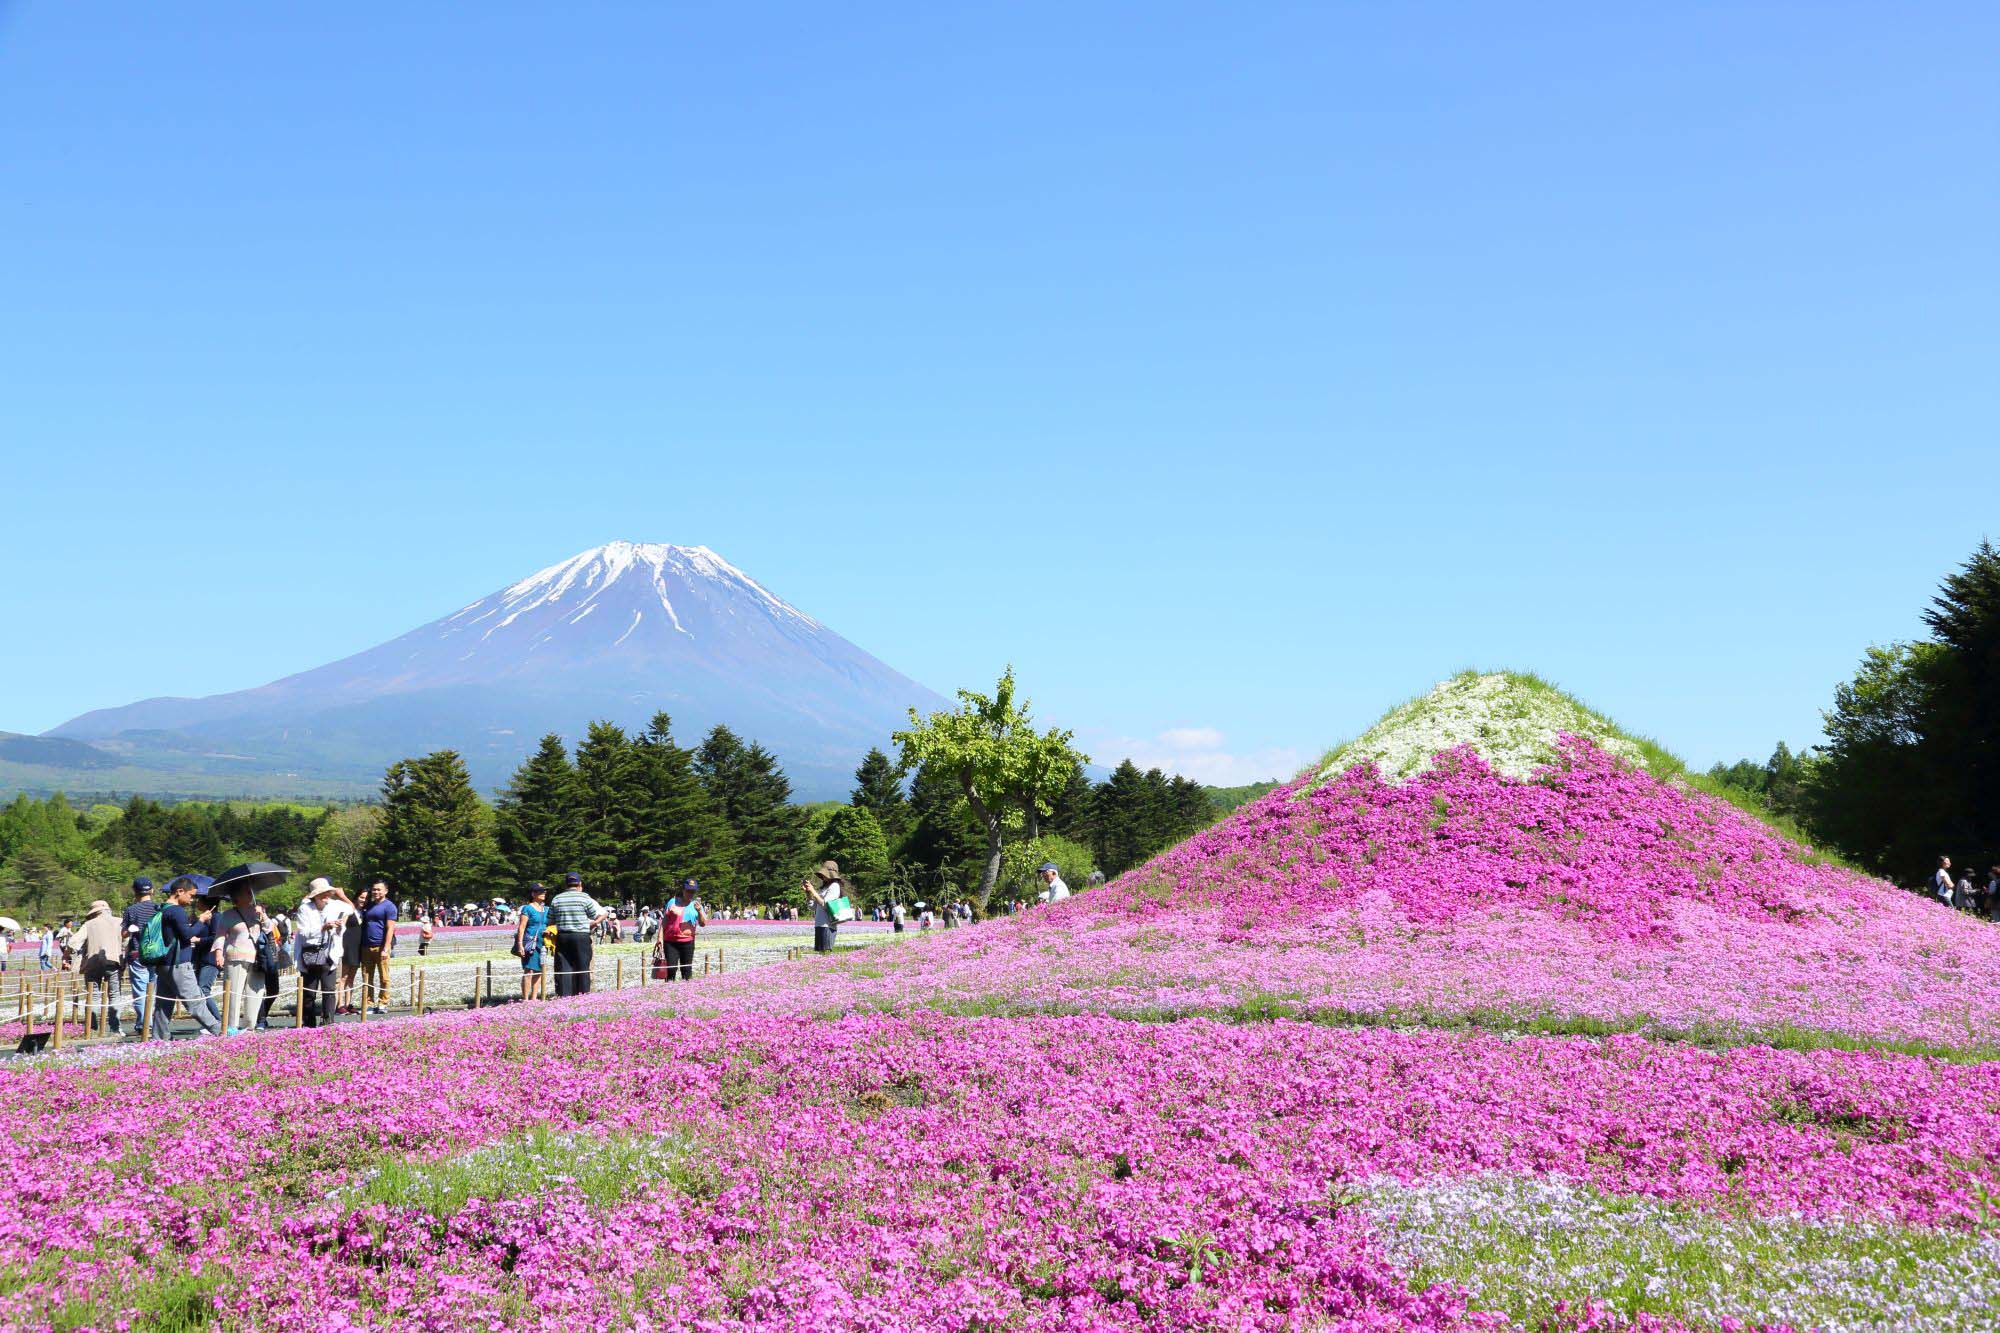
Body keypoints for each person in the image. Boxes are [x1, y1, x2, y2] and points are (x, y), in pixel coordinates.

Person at [150, 876, 222, 1040]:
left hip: (163, 963)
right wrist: (202, 921)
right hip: (179, 963)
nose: (192, 900)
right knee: (195, 1001)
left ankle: (159, 1038)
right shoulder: (176, 911)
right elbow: (187, 935)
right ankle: (219, 1030)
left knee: (164, 1003)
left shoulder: (161, 909)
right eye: (190, 895)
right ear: (180, 891)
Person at [212, 884, 271, 1036]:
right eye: (246, 892)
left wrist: (262, 915)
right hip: (235, 956)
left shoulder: (257, 911)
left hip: (257, 957)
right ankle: (232, 1025)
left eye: (250, 891)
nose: (250, 894)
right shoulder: (228, 914)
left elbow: (269, 929)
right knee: (234, 992)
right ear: (237, 897)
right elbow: (220, 935)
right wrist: (218, 952)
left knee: (256, 991)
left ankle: (250, 1025)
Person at [294, 879, 346, 1029]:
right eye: (322, 893)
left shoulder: (333, 907)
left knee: (329, 990)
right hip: (310, 954)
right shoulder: (305, 909)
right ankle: (308, 1024)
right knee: (309, 992)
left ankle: (328, 1023)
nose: (326, 896)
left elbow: (341, 928)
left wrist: (338, 927)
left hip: (329, 953)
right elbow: (304, 933)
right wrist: (323, 927)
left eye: (327, 893)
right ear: (314, 896)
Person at [547, 872, 608, 997]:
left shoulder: (557, 898)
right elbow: (596, 914)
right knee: (583, 966)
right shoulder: (584, 897)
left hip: (563, 936)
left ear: (566, 884)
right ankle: (582, 994)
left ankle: (565, 995)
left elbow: (550, 920)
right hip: (581, 936)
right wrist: (595, 922)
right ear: (579, 883)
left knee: (564, 967)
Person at [71, 900, 123, 1034]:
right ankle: (115, 1028)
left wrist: (68, 956)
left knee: (93, 996)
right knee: (114, 995)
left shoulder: (88, 924)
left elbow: (73, 942)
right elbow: (127, 941)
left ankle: (92, 1028)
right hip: (114, 962)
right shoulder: (119, 922)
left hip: (92, 963)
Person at [121, 877, 157, 1035]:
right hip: (157, 954)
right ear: (152, 891)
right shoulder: (159, 908)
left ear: (134, 891)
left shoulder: (131, 910)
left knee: (140, 991)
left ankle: (144, 1024)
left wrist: (131, 929)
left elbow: (123, 934)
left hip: (137, 954)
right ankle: (153, 1023)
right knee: (154, 990)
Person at [358, 880, 398, 1009]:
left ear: (385, 891)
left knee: (384, 977)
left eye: (379, 889)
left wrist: (386, 948)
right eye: (374, 889)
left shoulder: (389, 906)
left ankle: (383, 1003)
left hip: (381, 946)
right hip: (366, 946)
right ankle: (369, 1003)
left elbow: (390, 928)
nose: (376, 892)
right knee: (366, 977)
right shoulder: (369, 905)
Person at [658, 878, 702, 981]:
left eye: (693, 891)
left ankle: (686, 990)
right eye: (688, 891)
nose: (690, 893)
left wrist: (699, 911)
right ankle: (669, 988)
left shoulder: (696, 905)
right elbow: (664, 921)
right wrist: (659, 938)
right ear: (683, 890)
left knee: (687, 970)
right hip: (671, 941)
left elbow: (703, 923)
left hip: (688, 941)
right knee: (671, 969)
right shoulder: (672, 902)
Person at [514, 883, 550, 1001]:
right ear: (533, 894)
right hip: (530, 942)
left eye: (544, 891)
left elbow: (550, 924)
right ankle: (526, 998)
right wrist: (520, 944)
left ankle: (534, 998)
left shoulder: (547, 909)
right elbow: (522, 927)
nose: (543, 893)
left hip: (543, 942)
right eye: (540, 891)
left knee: (539, 970)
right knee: (529, 969)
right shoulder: (527, 908)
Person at [332, 886, 364, 1014]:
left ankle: (348, 1003)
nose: (363, 900)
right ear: (356, 897)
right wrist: (342, 896)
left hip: (358, 946)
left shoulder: (364, 911)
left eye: (365, 898)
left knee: (352, 977)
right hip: (347, 945)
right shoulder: (348, 909)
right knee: (343, 977)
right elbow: (341, 926)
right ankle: (340, 1004)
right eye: (361, 897)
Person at [803, 861, 846, 955]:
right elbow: (812, 907)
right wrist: (808, 893)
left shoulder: (835, 886)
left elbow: (826, 904)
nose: (822, 876)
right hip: (819, 924)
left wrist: (813, 891)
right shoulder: (824, 888)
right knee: (821, 954)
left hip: (828, 925)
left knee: (826, 953)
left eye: (824, 874)